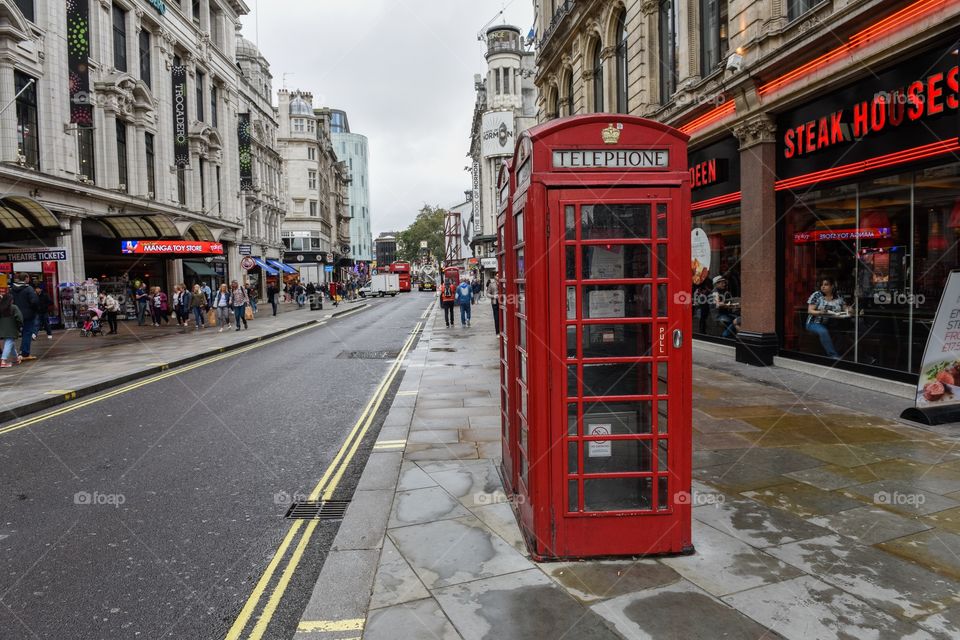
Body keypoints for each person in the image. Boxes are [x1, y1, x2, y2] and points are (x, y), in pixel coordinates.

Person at [806, 278, 851, 360]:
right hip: (814, 323)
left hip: (831, 323)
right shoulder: (817, 295)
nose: (823, 287)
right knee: (823, 331)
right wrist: (820, 312)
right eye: (822, 285)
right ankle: (833, 356)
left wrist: (849, 309)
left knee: (841, 334)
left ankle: (833, 355)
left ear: (832, 286)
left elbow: (845, 308)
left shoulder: (838, 295)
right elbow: (810, 311)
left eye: (826, 284)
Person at [10, 274, 38, 361]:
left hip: (15, 314)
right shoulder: (28, 288)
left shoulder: (12, 289)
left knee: (14, 334)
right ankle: (25, 353)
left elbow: (10, 301)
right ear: (26, 278)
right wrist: (34, 310)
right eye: (28, 278)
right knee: (27, 333)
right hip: (28, 315)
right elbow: (34, 301)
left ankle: (18, 353)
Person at [0, 292, 23, 368]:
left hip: (2, 329)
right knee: (9, 342)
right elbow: (19, 318)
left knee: (10, 343)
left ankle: (15, 358)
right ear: (11, 300)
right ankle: (3, 360)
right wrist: (20, 325)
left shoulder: (1, 308)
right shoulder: (13, 307)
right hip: (12, 328)